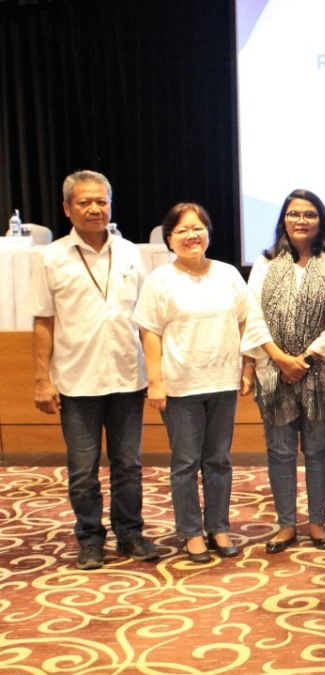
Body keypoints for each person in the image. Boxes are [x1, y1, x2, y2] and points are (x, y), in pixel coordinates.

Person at [26, 170, 159, 570]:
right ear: (67, 208)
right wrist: (41, 379)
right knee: (82, 469)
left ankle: (130, 534)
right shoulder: (50, 258)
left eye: (101, 201)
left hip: (126, 376)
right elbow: (43, 321)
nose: (95, 209)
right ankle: (89, 538)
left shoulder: (131, 253)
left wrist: (157, 372)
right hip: (76, 380)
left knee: (128, 464)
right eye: (85, 202)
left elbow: (147, 317)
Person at [133, 203, 253, 563]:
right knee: (185, 462)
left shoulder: (228, 274)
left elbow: (247, 323)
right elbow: (149, 332)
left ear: (208, 232)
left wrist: (247, 369)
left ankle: (218, 527)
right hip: (180, 385)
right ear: (169, 238)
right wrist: (155, 381)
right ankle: (190, 532)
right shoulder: (160, 280)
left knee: (218, 460)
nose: (191, 235)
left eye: (197, 227)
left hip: (222, 381)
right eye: (182, 230)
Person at [242, 189, 325, 554]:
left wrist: (307, 358)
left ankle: (316, 522)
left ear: (321, 221)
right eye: (294, 213)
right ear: (283, 218)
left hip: (320, 373)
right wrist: (279, 358)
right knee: (280, 451)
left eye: (310, 214)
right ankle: (286, 525)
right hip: (274, 373)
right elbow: (251, 315)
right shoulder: (265, 262)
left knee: (318, 449)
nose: (302, 220)